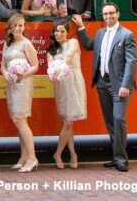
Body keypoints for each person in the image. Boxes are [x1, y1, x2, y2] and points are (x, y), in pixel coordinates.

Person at [73, 2, 137, 172]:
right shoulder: (101, 33)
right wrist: (80, 28)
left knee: (118, 119)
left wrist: (126, 86)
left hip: (119, 85)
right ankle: (116, 157)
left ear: (118, 14)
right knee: (110, 122)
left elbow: (131, 62)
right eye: (105, 14)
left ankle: (121, 159)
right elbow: (88, 45)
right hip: (102, 83)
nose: (108, 17)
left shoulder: (127, 35)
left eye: (111, 13)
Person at [0, 14, 39, 173]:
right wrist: (4, 73)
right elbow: (2, 65)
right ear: (9, 27)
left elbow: (35, 65)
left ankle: (32, 159)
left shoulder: (26, 43)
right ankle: (23, 157)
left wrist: (23, 75)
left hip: (22, 84)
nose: (17, 28)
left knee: (19, 120)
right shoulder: (7, 43)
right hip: (11, 84)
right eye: (14, 25)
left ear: (25, 27)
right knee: (18, 121)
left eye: (20, 25)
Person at [46, 19, 87, 170]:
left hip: (74, 82)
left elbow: (69, 57)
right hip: (61, 85)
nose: (58, 34)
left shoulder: (73, 42)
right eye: (56, 31)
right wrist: (54, 68)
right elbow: (50, 68)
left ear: (67, 32)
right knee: (68, 122)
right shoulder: (51, 50)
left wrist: (60, 64)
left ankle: (58, 153)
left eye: (62, 31)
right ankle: (73, 154)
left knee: (69, 122)